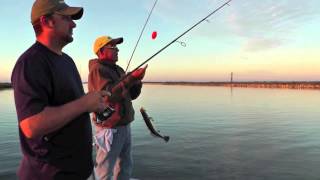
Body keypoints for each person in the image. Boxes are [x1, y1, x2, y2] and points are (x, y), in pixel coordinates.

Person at [11, 0, 108, 179]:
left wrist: (92, 103)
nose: (74, 24)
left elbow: (72, 105)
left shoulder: (67, 61)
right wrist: (84, 104)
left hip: (78, 171)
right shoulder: (30, 63)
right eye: (67, 18)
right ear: (46, 21)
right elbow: (31, 126)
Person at [88, 35, 147, 180]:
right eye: (112, 47)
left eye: (116, 46)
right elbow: (107, 96)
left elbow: (130, 96)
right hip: (110, 128)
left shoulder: (118, 69)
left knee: (125, 164)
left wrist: (136, 83)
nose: (117, 49)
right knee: (105, 167)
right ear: (101, 51)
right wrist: (131, 78)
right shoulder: (97, 70)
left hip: (124, 125)